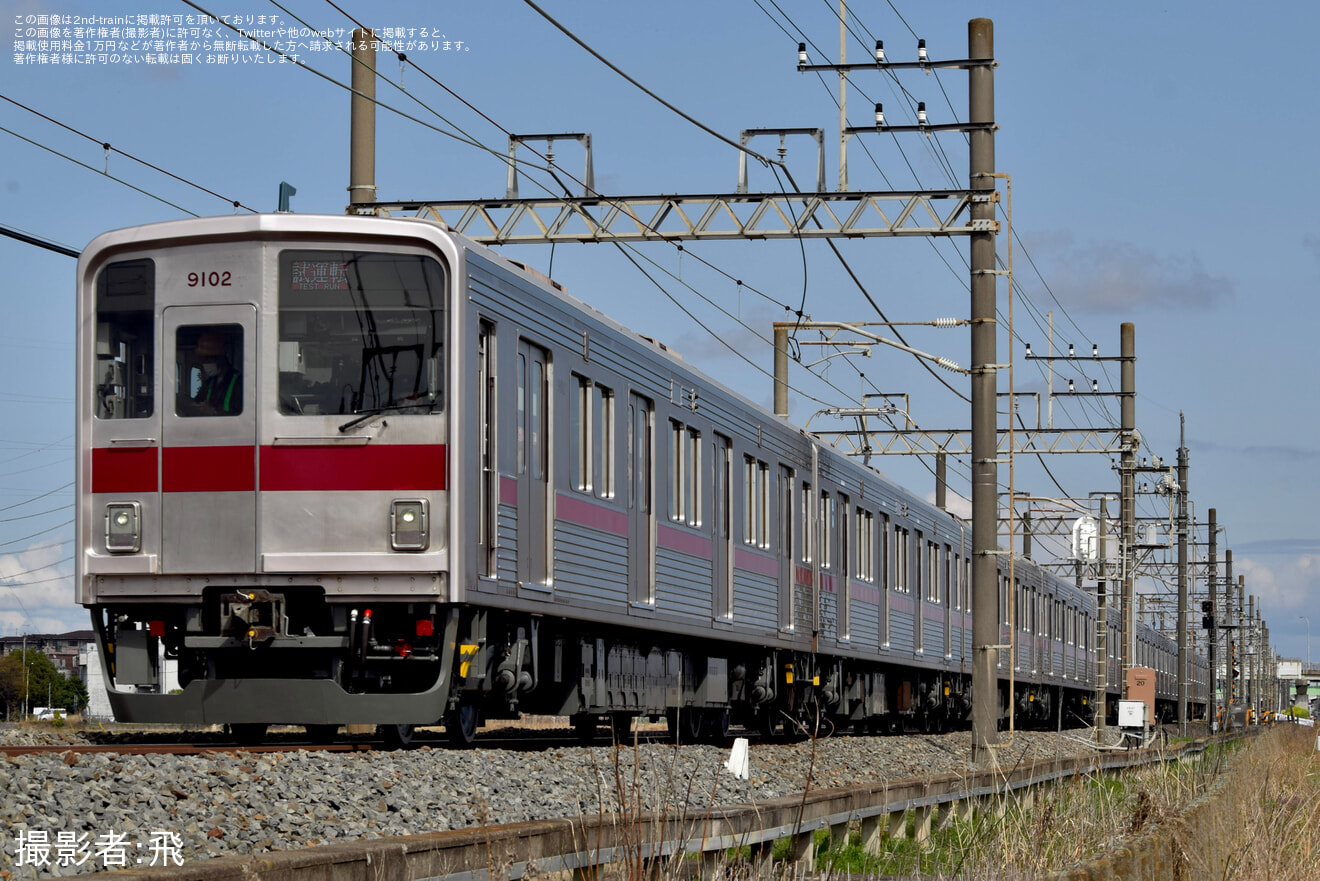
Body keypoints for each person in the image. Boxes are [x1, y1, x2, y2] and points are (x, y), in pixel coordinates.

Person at [187, 330, 242, 416]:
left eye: (209, 358)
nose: (206, 363)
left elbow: (243, 415)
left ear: (222, 357)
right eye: (203, 360)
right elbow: (198, 401)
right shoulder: (209, 383)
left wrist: (214, 412)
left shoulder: (239, 382)